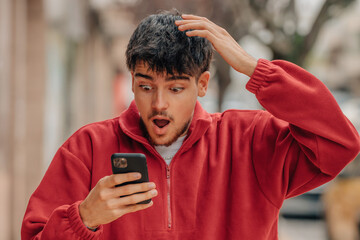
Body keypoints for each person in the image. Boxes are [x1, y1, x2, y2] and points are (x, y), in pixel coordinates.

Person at [21, 10, 360, 240]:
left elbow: (339, 142)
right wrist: (84, 218)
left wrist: (255, 69)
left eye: (176, 87)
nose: (159, 104)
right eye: (145, 86)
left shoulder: (250, 140)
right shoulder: (88, 147)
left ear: (202, 85)